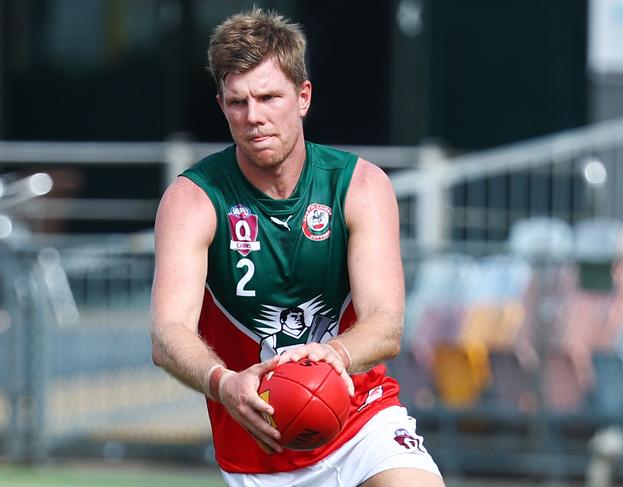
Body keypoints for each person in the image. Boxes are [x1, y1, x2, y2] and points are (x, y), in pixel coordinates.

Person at [150, 7, 444, 487]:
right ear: (221, 104)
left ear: (303, 97)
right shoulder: (193, 199)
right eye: (237, 102)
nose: (254, 117)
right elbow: (167, 334)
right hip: (258, 446)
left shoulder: (359, 186)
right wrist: (224, 383)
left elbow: (386, 325)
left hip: (360, 421)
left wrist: (337, 357)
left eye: (269, 97)